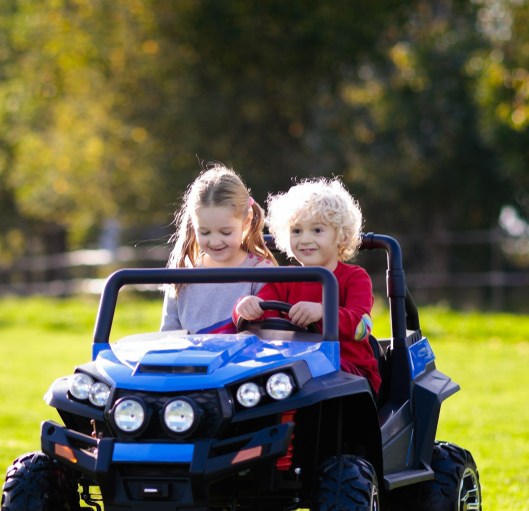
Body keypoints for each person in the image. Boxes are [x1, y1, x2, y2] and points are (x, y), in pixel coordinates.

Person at [233, 178, 381, 393]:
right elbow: (262, 313)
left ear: (342, 235)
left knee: (308, 372)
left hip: (348, 372)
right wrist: (246, 307)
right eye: (296, 231)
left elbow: (361, 327)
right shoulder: (283, 279)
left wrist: (323, 312)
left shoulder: (355, 278)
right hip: (290, 368)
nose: (305, 239)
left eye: (317, 230)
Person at [160, 165, 275, 334]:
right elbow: (168, 336)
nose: (215, 241)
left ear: (247, 221)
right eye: (204, 232)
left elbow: (273, 335)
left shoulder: (262, 272)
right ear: (193, 225)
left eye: (226, 232)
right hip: (190, 360)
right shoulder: (182, 273)